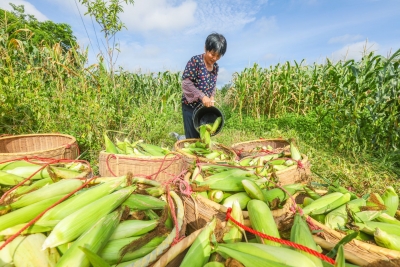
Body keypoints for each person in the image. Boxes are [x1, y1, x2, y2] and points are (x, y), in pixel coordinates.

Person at [180, 32, 227, 139]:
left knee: (204, 138)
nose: (215, 58)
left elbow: (213, 85)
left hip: (204, 109)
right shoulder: (195, 61)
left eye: (218, 55)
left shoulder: (215, 67)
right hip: (191, 107)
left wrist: (211, 97)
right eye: (212, 54)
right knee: (192, 139)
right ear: (206, 48)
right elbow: (186, 83)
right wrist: (202, 96)